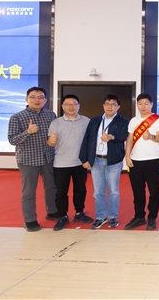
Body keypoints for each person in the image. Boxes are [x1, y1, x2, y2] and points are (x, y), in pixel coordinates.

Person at [7, 87, 58, 232]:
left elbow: (54, 135)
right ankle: (30, 220)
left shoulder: (51, 115)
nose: (37, 100)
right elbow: (12, 140)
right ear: (26, 99)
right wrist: (27, 132)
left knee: (51, 187)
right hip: (28, 159)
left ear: (45, 100)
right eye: (33, 97)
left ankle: (52, 211)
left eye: (40, 97)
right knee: (29, 191)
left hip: (48, 157)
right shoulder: (17, 117)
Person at [79, 94, 129, 229]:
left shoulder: (123, 121)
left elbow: (123, 135)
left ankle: (113, 217)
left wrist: (111, 137)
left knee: (114, 191)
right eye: (107, 104)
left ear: (118, 107)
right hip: (96, 160)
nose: (109, 107)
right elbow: (86, 139)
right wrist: (84, 158)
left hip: (113, 161)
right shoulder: (95, 121)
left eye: (113, 104)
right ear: (103, 105)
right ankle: (100, 217)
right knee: (98, 191)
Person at [47, 94, 92, 231]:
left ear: (79, 106)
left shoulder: (86, 121)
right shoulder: (56, 123)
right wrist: (52, 141)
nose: (71, 107)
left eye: (74, 104)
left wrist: (89, 159)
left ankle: (79, 213)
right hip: (61, 163)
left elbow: (91, 141)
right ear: (62, 106)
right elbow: (50, 143)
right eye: (67, 104)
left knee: (80, 190)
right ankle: (62, 216)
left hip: (80, 163)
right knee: (61, 192)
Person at [124, 93, 159, 231]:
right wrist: (127, 157)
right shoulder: (133, 121)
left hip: (152, 161)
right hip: (136, 161)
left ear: (151, 104)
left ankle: (152, 217)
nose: (143, 106)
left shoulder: (157, 119)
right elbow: (130, 139)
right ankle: (139, 216)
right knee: (138, 192)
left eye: (146, 104)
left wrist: (151, 136)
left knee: (154, 191)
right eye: (140, 104)